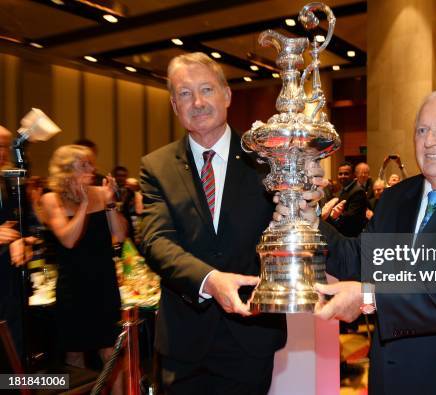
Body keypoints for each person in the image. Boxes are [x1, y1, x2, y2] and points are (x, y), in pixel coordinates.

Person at [277, 89, 436, 394]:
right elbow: (361, 260)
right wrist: (310, 223)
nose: (429, 141)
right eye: (422, 130)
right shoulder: (398, 198)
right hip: (393, 377)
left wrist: (369, 297)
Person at [139, 52, 286, 395]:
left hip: (251, 335)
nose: (198, 102)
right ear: (175, 105)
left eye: (206, 89)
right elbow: (155, 241)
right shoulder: (156, 166)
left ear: (227, 96)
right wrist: (209, 280)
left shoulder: (267, 160)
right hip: (184, 344)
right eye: (185, 93)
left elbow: (286, 230)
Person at [40, 145, 127, 381]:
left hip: (103, 282)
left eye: (91, 163)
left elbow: (119, 236)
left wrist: (109, 205)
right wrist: (85, 205)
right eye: (84, 164)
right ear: (66, 170)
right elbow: (68, 240)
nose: (92, 168)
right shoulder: (51, 198)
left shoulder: (99, 192)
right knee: (74, 355)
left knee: (111, 353)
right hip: (74, 286)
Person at [0, 126, 35, 360]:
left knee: (14, 360)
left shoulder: (6, 183)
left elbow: (15, 227)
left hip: (9, 286)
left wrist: (23, 241)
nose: (3, 152)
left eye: (4, 145)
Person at [326, 162, 368, 237]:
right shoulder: (341, 191)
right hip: (341, 234)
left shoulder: (358, 191)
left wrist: (334, 216)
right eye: (340, 174)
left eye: (346, 174)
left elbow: (352, 217)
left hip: (351, 236)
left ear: (353, 175)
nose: (342, 176)